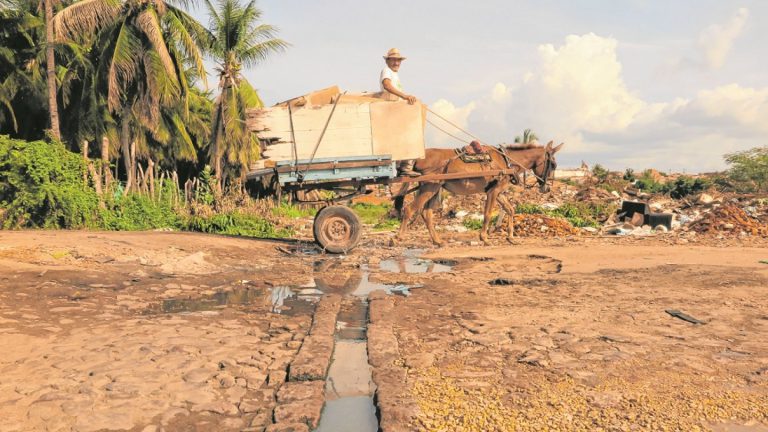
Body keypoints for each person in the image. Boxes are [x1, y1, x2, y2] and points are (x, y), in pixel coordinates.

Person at [380, 48, 419, 176]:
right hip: (391, 110)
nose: (396, 63)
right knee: (413, 132)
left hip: (395, 109)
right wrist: (404, 96)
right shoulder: (387, 71)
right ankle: (405, 167)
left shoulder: (395, 74)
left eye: (398, 61)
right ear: (388, 61)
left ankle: (401, 165)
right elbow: (387, 85)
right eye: (394, 60)